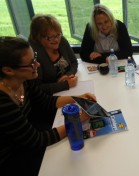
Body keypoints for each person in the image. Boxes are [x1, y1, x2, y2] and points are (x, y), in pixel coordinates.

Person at [0, 36, 95, 175]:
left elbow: (46, 102)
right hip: (12, 157)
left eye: (35, 57)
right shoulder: (3, 102)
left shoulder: (24, 80)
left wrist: (77, 98)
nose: (37, 64)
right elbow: (37, 140)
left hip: (27, 140)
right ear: (8, 70)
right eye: (31, 63)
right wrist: (77, 120)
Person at [28, 14, 78, 95]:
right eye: (50, 37)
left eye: (58, 34)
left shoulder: (62, 41)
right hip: (51, 97)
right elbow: (36, 88)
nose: (56, 40)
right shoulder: (34, 56)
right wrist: (64, 84)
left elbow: (74, 62)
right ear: (38, 38)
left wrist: (68, 75)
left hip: (70, 88)